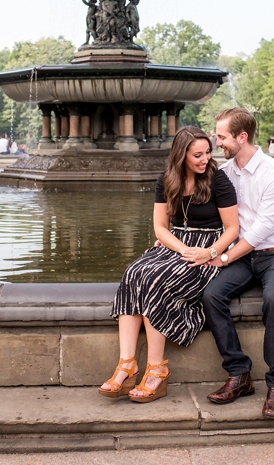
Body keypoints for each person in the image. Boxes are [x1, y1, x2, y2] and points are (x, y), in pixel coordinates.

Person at [99, 126, 239, 403]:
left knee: (157, 279)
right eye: (197, 154)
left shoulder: (218, 180)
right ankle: (127, 364)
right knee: (134, 272)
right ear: (181, 155)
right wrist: (181, 248)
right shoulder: (167, 179)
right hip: (177, 244)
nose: (205, 159)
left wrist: (207, 252)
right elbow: (160, 227)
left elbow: (232, 228)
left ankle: (156, 370)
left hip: (208, 247)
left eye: (208, 152)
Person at [203, 108, 274, 419]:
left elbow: (261, 230)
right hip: (244, 258)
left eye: (222, 137)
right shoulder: (225, 173)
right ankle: (239, 374)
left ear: (242, 137)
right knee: (212, 295)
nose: (218, 143)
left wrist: (224, 257)